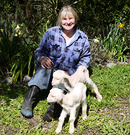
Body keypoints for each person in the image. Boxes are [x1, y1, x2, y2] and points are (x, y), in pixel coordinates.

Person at [21, 5, 91, 122]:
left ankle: (54, 109)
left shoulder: (82, 38)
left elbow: (85, 59)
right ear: (60, 20)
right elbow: (40, 50)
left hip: (67, 72)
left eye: (70, 19)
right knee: (45, 68)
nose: (68, 22)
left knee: (63, 81)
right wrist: (42, 58)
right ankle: (29, 99)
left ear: (75, 19)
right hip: (50, 70)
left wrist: (73, 72)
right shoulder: (51, 33)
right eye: (64, 19)